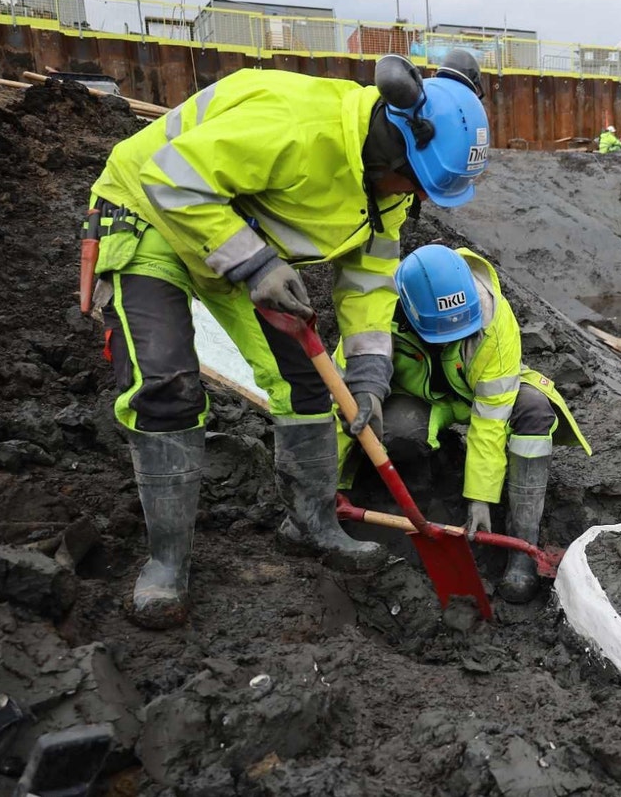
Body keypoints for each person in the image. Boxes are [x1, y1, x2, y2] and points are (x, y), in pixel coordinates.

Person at [85, 52, 490, 629]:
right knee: (167, 385)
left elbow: (370, 279)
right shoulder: (299, 129)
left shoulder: (390, 190)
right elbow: (172, 178)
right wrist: (255, 265)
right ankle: (166, 564)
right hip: (151, 212)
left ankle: (311, 525)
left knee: (305, 388)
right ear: (392, 140)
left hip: (234, 237)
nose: (418, 198)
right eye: (417, 183)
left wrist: (370, 378)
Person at [337, 244, 590, 603]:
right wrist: (327, 483)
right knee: (397, 431)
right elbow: (339, 403)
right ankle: (420, 503)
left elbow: (490, 419)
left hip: (479, 398)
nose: (454, 341)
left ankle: (521, 548)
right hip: (419, 400)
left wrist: (480, 499)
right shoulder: (375, 315)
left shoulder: (494, 319)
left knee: (534, 409)